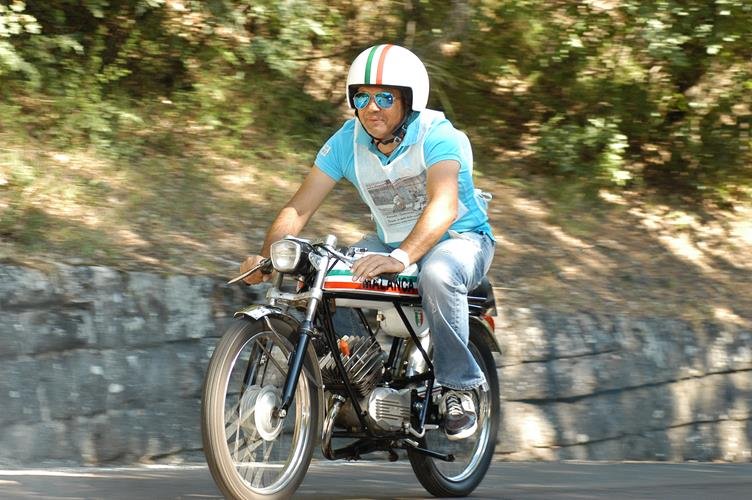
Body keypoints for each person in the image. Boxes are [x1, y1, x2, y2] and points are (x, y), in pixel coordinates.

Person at [240, 44, 495, 441]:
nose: (372, 108)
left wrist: (401, 257)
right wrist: (265, 257)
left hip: (459, 239)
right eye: (362, 97)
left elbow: (444, 206)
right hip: (391, 241)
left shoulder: (439, 135)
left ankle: (458, 388)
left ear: (409, 99)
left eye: (385, 98)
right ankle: (356, 376)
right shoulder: (347, 141)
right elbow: (299, 207)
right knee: (319, 270)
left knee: (438, 274)